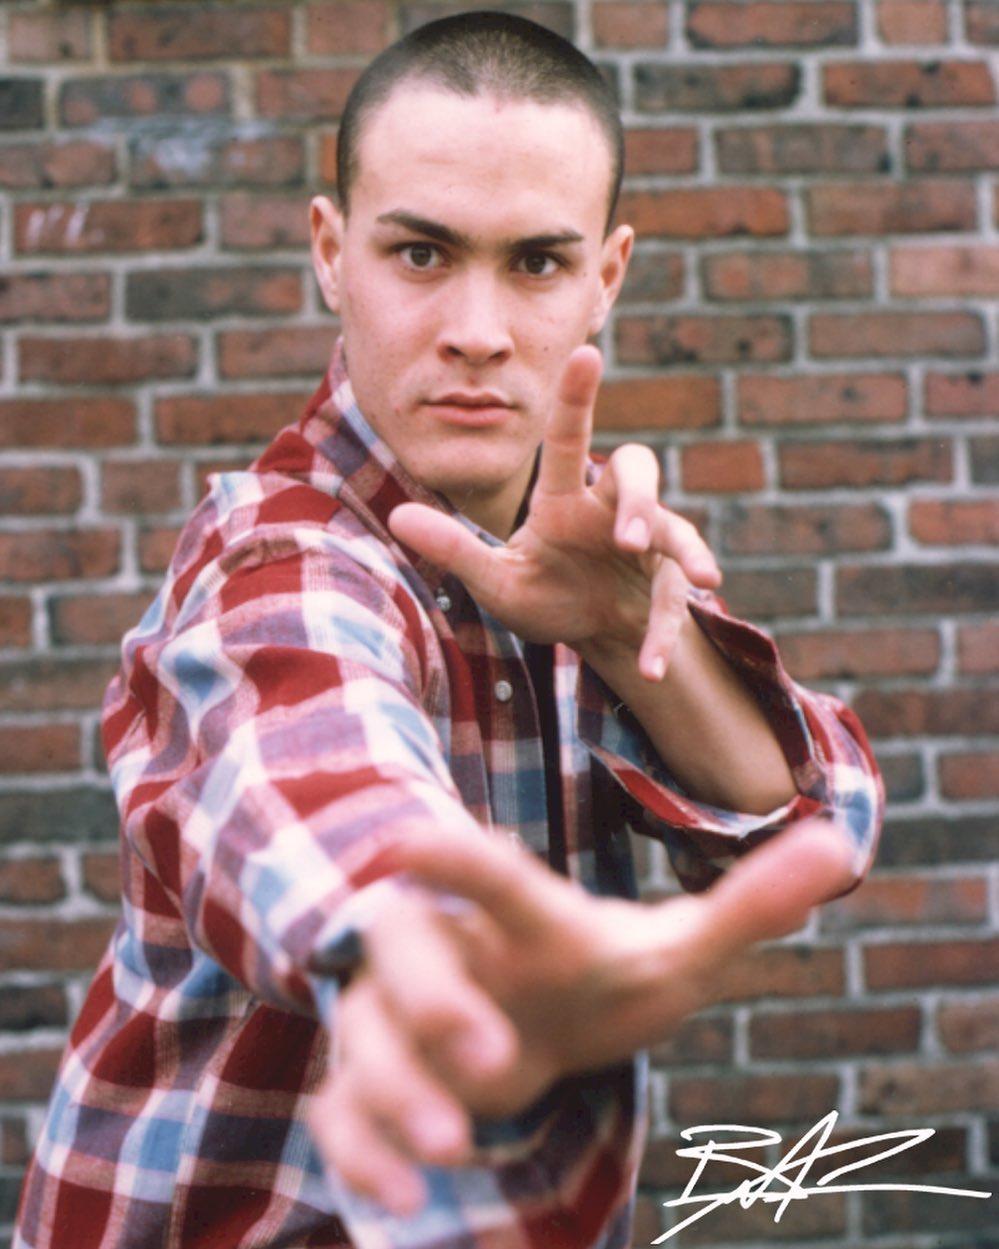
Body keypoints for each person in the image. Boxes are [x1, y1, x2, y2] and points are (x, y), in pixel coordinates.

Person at [14, 11, 883, 1249]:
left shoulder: (581, 547)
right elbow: (308, 753)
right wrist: (405, 949)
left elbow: (819, 826)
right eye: (422, 254)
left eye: (535, 264)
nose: (478, 327)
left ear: (607, 275)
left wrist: (640, 630)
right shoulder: (274, 551)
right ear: (332, 251)